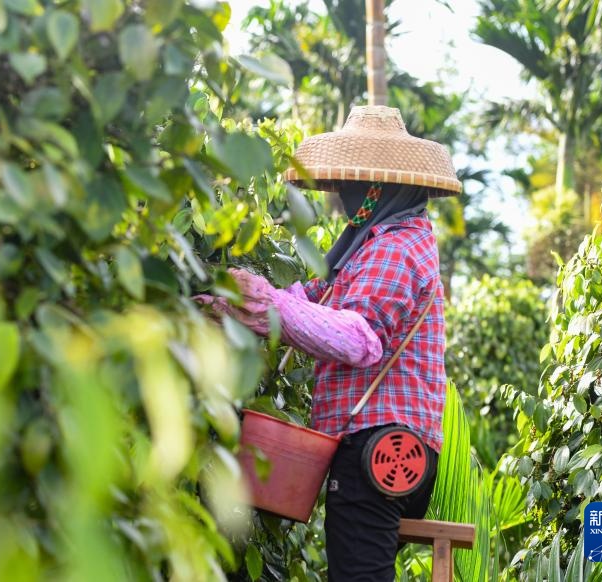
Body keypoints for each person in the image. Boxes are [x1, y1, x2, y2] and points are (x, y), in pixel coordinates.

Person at [196, 105, 459, 581]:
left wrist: (265, 302)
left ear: (378, 189)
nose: (343, 199)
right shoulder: (365, 247)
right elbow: (307, 302)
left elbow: (356, 337)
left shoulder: (395, 247)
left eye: (354, 188)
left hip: (380, 449)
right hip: (369, 447)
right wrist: (230, 302)